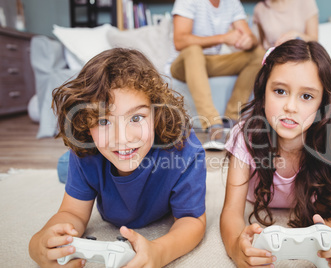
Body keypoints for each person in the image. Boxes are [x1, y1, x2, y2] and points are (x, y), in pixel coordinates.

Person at [29, 48, 207, 268]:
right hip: (96, 157)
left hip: (117, 154)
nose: (122, 138)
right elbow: (72, 212)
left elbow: (192, 220)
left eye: (136, 117)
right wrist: (41, 241)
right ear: (86, 123)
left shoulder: (185, 151)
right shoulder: (86, 152)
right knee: (66, 165)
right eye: (104, 121)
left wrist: (159, 252)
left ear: (157, 113)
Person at [220, 40, 331, 268]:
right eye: (280, 91)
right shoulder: (244, 136)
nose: (291, 107)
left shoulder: (329, 141)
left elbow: (330, 208)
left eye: (306, 96)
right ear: (263, 92)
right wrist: (237, 247)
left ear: (322, 103)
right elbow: (231, 212)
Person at [169, 0, 265, 149]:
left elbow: (250, 37)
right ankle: (214, 125)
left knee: (258, 54)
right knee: (193, 50)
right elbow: (180, 41)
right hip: (184, 63)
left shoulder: (232, 3)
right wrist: (223, 37)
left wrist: (249, 41)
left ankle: (231, 119)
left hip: (210, 62)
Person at [253, 0, 319, 49]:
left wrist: (296, 36)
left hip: (301, 56)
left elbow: (314, 40)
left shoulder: (306, 2)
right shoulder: (259, 9)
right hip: (274, 59)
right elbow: (261, 44)